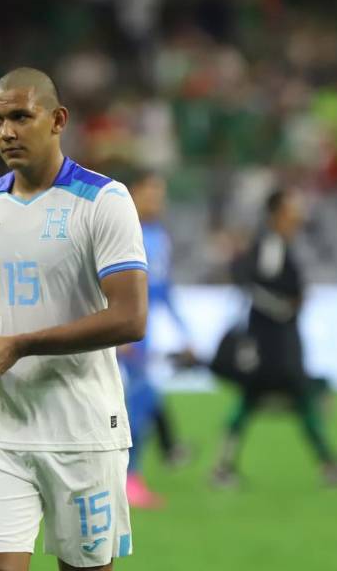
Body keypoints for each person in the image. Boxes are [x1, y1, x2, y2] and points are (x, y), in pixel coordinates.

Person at [0, 68, 148, 571]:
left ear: (57, 120)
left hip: (83, 431)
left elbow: (130, 317)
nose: (6, 131)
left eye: (19, 116)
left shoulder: (104, 201)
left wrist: (22, 344)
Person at [211, 189, 337, 489]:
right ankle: (329, 466)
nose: (297, 214)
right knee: (296, 395)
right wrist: (284, 307)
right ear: (276, 214)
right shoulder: (271, 245)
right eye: (291, 209)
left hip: (275, 339)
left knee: (258, 400)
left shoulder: (277, 244)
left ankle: (223, 467)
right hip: (273, 343)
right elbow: (252, 283)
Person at [119, 171, 192, 509]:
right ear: (132, 194)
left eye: (159, 194)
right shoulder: (119, 231)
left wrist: (183, 332)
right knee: (132, 408)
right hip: (121, 336)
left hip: (141, 338)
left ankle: (128, 478)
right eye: (149, 192)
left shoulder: (159, 236)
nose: (156, 200)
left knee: (141, 407)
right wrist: (116, 329)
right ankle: (126, 480)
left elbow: (162, 290)